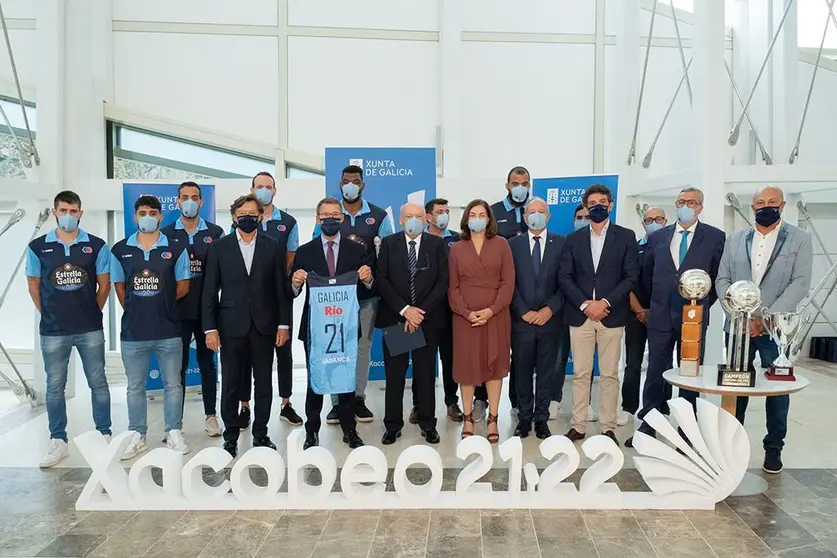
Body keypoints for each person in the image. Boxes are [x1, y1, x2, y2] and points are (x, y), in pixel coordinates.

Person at [716, 185, 813, 474]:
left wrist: (766, 317)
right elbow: (723, 279)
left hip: (776, 330)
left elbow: (800, 283)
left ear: (782, 206)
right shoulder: (735, 239)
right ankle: (732, 445)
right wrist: (739, 312)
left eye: (772, 202)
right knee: (735, 386)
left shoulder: (799, 239)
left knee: (776, 390)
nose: (765, 206)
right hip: (737, 326)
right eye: (760, 202)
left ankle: (773, 447)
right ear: (752, 207)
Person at [626, 189, 725, 448]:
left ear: (700, 207)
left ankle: (687, 427)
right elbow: (648, 275)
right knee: (656, 369)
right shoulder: (658, 237)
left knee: (690, 372)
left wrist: (701, 305)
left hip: (693, 317)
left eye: (691, 203)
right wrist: (654, 304)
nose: (685, 207)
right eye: (681, 202)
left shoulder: (715, 237)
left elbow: (717, 278)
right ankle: (650, 420)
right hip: (659, 315)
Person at [26, 191, 113, 468]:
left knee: (98, 382)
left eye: (73, 211)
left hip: (89, 328)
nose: (68, 215)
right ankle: (58, 440)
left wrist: (91, 311)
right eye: (63, 210)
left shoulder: (97, 246)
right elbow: (34, 286)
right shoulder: (38, 247)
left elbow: (105, 285)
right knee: (54, 386)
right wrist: (50, 313)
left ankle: (105, 434)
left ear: (80, 213)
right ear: (54, 212)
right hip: (53, 330)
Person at [202, 194, 290, 457]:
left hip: (264, 326)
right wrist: (210, 329)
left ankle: (261, 434)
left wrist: (283, 324)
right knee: (230, 382)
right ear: (233, 217)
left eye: (253, 214)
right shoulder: (219, 247)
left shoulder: (273, 246)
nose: (248, 218)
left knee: (263, 382)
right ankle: (230, 436)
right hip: (230, 326)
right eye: (243, 215)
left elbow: (280, 290)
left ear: (261, 216)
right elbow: (209, 291)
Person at [111, 195, 192, 460]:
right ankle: (137, 434)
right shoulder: (120, 250)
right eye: (142, 212)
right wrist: (140, 306)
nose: (148, 216)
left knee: (173, 385)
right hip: (133, 333)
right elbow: (120, 289)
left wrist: (161, 303)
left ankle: (174, 431)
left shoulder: (177, 248)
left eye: (153, 212)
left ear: (160, 216)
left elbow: (183, 287)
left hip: (168, 330)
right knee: (135, 387)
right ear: (135, 217)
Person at [313, 165, 394, 425]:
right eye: (346, 181)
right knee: (336, 346)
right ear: (340, 185)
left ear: (363, 185)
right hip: (334, 297)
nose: (350, 185)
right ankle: (337, 403)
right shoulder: (331, 215)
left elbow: (389, 255)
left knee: (361, 348)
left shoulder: (379, 216)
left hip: (366, 295)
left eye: (355, 181)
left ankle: (358, 398)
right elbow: (317, 250)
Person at [559, 184, 638, 446]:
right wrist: (585, 304)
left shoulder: (626, 236)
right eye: (592, 203)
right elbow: (565, 277)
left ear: (611, 204)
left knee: (609, 374)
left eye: (602, 201)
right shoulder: (573, 239)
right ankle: (578, 425)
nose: (597, 206)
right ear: (586, 206)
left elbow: (630, 277)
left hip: (611, 315)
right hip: (580, 315)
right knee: (581, 375)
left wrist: (604, 302)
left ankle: (607, 427)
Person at [293, 197, 374, 450]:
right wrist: (295, 282)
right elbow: (292, 290)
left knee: (346, 379)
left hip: (346, 329)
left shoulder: (356, 250)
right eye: (324, 214)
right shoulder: (305, 251)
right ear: (318, 219)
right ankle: (312, 431)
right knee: (315, 379)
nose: (330, 218)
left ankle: (350, 430)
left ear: (341, 219)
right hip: (316, 329)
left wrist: (368, 278)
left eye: (335, 214)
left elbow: (370, 285)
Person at [377, 202, 449, 445]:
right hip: (397, 318)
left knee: (426, 374)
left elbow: (442, 281)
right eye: (409, 216)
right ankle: (392, 426)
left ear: (426, 219)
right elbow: (382, 280)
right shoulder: (389, 244)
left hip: (426, 320)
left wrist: (419, 312)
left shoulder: (437, 244)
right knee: (394, 376)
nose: (414, 220)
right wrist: (406, 310)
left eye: (419, 216)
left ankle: (428, 424)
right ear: (400, 220)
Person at [236, 172, 303, 427]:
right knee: (246, 357)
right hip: (247, 302)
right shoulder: (242, 218)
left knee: (283, 354)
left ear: (275, 191)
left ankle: (286, 403)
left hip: (278, 296)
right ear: (252, 189)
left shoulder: (288, 222)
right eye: (259, 186)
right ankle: (244, 406)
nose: (264, 190)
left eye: (268, 187)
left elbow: (290, 257)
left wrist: (279, 282)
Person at [161, 182, 225, 438]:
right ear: (177, 202)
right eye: (184, 197)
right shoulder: (165, 234)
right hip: (176, 312)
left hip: (207, 311)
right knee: (177, 368)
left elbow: (220, 272)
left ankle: (211, 416)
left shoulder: (215, 232)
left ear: (201, 202)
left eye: (194, 197)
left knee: (208, 364)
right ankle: (175, 424)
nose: (189, 201)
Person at [448, 199, 515, 444]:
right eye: (472, 214)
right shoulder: (456, 248)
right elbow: (452, 287)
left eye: (481, 214)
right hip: (465, 319)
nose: (477, 217)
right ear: (466, 219)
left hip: (495, 317)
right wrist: (466, 313)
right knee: (467, 369)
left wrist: (491, 310)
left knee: (494, 367)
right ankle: (467, 418)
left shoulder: (502, 245)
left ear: (489, 219)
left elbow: (508, 283)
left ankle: (493, 418)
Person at [509, 198, 564, 439]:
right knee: (521, 371)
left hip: (550, 321)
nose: (536, 216)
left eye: (541, 212)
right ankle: (524, 418)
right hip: (521, 321)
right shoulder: (512, 245)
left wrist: (549, 309)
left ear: (549, 216)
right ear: (524, 216)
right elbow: (507, 283)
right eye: (532, 212)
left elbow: (567, 281)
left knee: (546, 372)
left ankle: (541, 419)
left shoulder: (562, 244)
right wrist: (523, 310)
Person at [408, 198, 463, 423]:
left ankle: (452, 401)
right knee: (422, 360)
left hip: (451, 310)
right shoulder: (419, 240)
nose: (444, 215)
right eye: (439, 211)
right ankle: (418, 404)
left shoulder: (457, 240)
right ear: (428, 217)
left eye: (447, 211)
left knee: (450, 358)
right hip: (423, 310)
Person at [619, 206, 667, 429]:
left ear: (665, 221)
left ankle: (662, 407)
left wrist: (654, 311)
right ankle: (628, 408)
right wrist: (639, 310)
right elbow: (625, 280)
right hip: (634, 314)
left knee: (663, 364)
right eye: (649, 220)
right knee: (633, 364)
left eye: (658, 219)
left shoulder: (671, 247)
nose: (653, 222)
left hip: (663, 313)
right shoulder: (634, 247)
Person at [490, 166, 531, 416]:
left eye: (524, 183)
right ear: (507, 186)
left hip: (529, 290)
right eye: (515, 183)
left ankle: (517, 400)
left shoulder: (535, 209)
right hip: (499, 293)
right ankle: (483, 400)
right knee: (493, 348)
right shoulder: (494, 212)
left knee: (523, 351)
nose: (520, 187)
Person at [551, 204, 595, 422]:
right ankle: (554, 400)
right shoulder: (565, 242)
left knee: (584, 364)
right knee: (558, 359)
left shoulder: (598, 244)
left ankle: (585, 404)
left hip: (587, 310)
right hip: (563, 309)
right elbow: (560, 278)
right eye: (579, 217)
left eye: (587, 217)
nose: (583, 220)